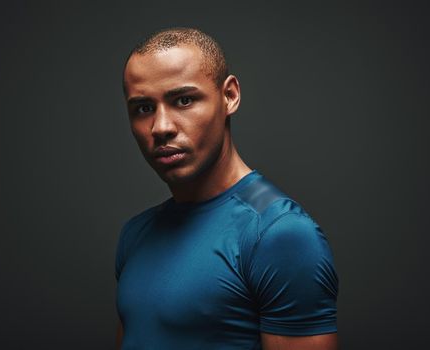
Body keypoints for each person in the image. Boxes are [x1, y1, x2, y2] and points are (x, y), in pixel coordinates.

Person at [114, 27, 339, 350]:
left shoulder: (281, 235)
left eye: (184, 100)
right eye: (144, 108)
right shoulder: (135, 234)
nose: (161, 127)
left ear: (229, 96)